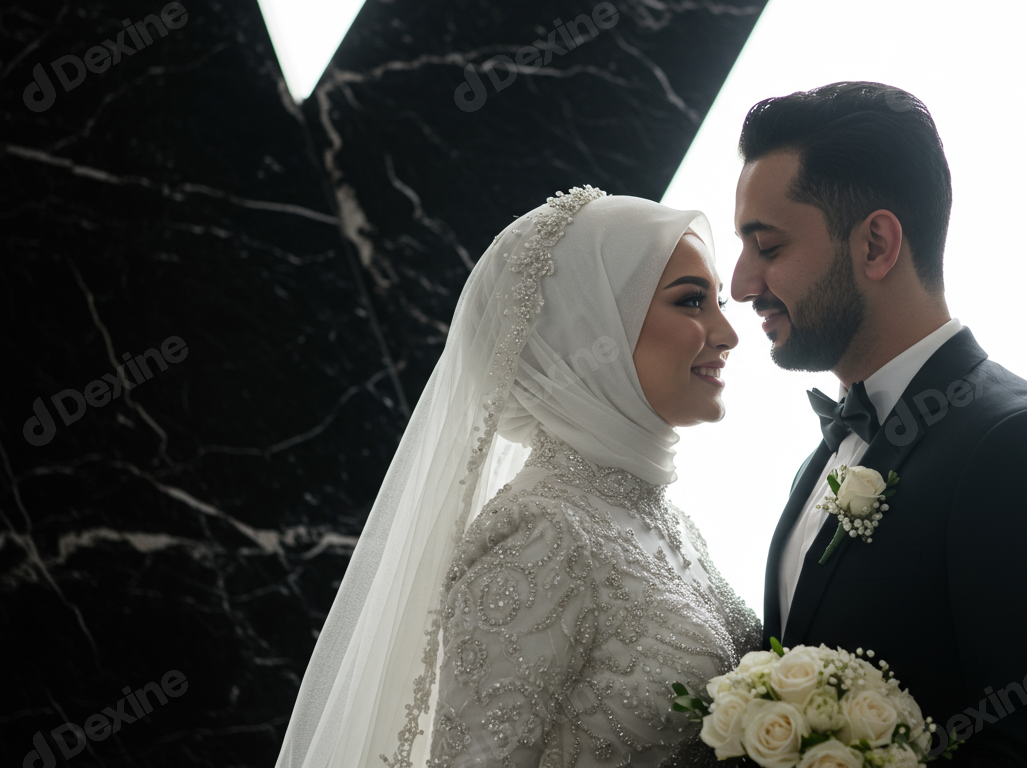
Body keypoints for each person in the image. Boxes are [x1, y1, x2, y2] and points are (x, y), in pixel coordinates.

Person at [275, 187, 760, 768]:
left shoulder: (668, 520)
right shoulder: (540, 532)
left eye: (719, 303)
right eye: (690, 302)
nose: (727, 333)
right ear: (590, 325)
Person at [732, 82, 1027, 766]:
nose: (740, 283)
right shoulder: (829, 450)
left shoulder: (1024, 450)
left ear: (877, 244)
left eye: (766, 246)